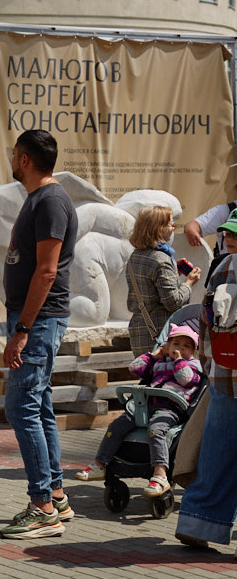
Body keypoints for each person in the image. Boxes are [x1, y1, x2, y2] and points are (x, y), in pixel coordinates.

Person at [0, 128, 79, 540]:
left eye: (15, 155)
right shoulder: (41, 198)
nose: (12, 161)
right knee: (39, 405)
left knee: (21, 407)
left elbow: (47, 271)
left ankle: (42, 507)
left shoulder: (50, 200)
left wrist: (23, 330)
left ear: (24, 159)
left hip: (39, 319)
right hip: (35, 318)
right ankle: (57, 495)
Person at [74, 325, 203, 496]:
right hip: (146, 406)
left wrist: (179, 361)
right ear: (166, 346)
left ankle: (160, 474)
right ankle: (100, 464)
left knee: (156, 430)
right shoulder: (159, 363)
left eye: (186, 346)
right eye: (176, 344)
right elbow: (135, 369)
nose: (180, 348)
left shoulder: (193, 365)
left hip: (170, 409)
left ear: (193, 350)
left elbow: (186, 380)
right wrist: (153, 355)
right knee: (117, 425)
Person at [175, 221, 237, 551]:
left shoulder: (223, 266)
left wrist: (210, 367)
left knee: (218, 452)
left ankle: (198, 522)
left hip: (225, 375)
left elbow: (205, 321)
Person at [125, 205, 200, 356]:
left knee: (146, 376)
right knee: (163, 378)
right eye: (171, 224)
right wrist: (189, 283)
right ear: (159, 229)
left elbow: (148, 286)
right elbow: (173, 302)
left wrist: (173, 274)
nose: (173, 228)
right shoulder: (161, 260)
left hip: (139, 330)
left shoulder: (136, 255)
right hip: (159, 335)